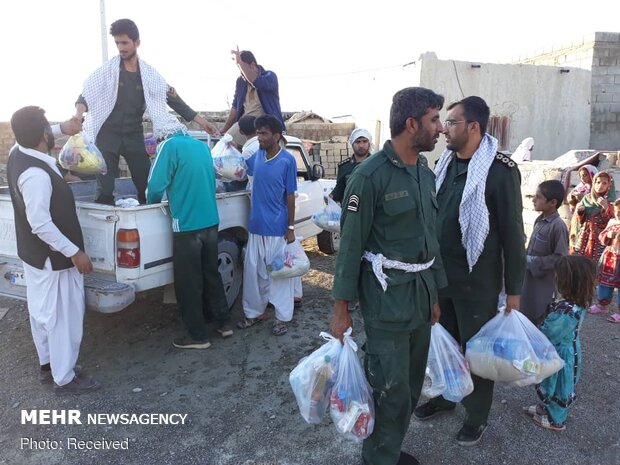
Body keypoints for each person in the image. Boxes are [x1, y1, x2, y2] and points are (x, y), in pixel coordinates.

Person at [329, 87, 446, 465]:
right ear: (411, 124)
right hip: (387, 302)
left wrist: (436, 296)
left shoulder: (424, 173)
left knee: (410, 388)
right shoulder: (369, 176)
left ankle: (389, 450)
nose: (440, 128)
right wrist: (341, 309)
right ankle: (378, 458)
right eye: (433, 120)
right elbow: (349, 247)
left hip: (421, 296)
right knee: (389, 389)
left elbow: (431, 240)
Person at [414, 96, 526, 447]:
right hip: (441, 278)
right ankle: (448, 397)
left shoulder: (500, 170)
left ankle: (476, 416)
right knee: (445, 344)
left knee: (477, 353)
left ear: (474, 127)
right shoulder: (444, 164)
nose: (444, 129)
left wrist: (514, 292)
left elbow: (512, 234)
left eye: (452, 123)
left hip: (476, 283)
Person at [74, 18, 218, 206]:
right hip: (107, 135)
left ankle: (148, 217)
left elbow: (175, 100)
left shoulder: (150, 76)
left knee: (145, 180)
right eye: (117, 43)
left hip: (133, 135)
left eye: (124, 42)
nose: (121, 47)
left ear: (137, 42)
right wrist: (78, 116)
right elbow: (86, 96)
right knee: (105, 188)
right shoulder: (107, 72)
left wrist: (202, 122)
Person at [7, 106, 100, 395]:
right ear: (42, 134)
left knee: (41, 313)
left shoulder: (16, 154)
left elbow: (33, 136)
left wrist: (63, 129)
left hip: (34, 257)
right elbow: (41, 224)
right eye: (48, 127)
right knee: (63, 318)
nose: (52, 129)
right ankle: (65, 378)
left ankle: (48, 366)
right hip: (55, 259)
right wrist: (74, 252)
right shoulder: (36, 175)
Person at [146, 115, 233, 349]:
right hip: (211, 222)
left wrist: (149, 201)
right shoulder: (201, 147)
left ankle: (197, 336)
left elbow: (155, 186)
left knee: (188, 282)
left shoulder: (169, 146)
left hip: (186, 226)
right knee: (211, 274)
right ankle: (224, 323)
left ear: (163, 133)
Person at [237, 115, 297, 336]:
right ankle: (254, 313)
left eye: (263, 133)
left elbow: (291, 196)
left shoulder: (287, 161)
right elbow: (242, 170)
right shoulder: (258, 156)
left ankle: (282, 318)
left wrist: (290, 228)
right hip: (256, 226)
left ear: (276, 136)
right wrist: (228, 147)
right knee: (254, 274)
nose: (259, 138)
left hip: (277, 229)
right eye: (258, 133)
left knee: (279, 275)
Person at [523, 255, 595, 431]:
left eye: (558, 276)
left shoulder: (567, 311)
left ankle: (557, 420)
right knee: (549, 382)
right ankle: (544, 408)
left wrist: (529, 332)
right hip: (563, 350)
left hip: (560, 356)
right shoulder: (577, 303)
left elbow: (549, 334)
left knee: (559, 386)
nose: (555, 279)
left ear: (569, 282)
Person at [521, 180, 569, 325]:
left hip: (543, 283)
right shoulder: (539, 220)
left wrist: (533, 261)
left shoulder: (557, 226)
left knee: (539, 316)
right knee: (525, 313)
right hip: (529, 279)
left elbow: (560, 258)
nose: (534, 200)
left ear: (553, 202)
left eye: (539, 197)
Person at [221, 49, 284, 147]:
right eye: (239, 68)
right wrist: (224, 129)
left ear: (253, 65)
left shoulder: (270, 76)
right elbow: (235, 108)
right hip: (245, 125)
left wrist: (240, 63)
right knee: (225, 143)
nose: (241, 71)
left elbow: (255, 81)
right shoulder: (241, 81)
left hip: (266, 125)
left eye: (242, 67)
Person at [573, 171, 616, 263]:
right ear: (593, 182)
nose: (600, 185)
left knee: (598, 265)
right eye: (598, 182)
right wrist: (580, 212)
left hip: (600, 240)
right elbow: (580, 221)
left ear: (609, 185)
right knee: (580, 264)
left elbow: (613, 222)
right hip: (585, 237)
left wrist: (606, 207)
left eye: (604, 183)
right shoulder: (586, 198)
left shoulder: (612, 202)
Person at [589, 199, 620, 319]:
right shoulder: (612, 222)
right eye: (617, 210)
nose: (619, 214)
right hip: (609, 258)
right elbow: (602, 236)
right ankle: (602, 306)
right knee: (604, 283)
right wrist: (608, 235)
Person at [330, 128, 373, 203]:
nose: (361, 145)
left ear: (369, 143)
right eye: (358, 142)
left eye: (365, 141)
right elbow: (340, 188)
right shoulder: (344, 167)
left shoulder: (376, 164)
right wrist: (332, 196)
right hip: (350, 210)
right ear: (352, 144)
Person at [568, 165, 597, 252]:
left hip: (589, 220)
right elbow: (569, 198)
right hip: (577, 218)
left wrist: (584, 198)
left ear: (592, 174)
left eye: (585, 175)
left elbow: (595, 202)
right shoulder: (581, 187)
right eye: (581, 176)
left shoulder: (596, 187)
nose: (583, 178)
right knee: (575, 239)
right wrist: (572, 197)